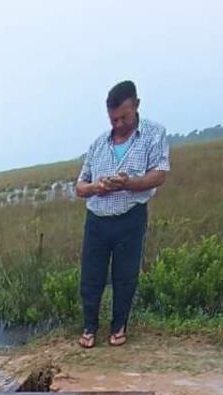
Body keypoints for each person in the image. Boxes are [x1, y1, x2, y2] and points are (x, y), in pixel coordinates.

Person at [76, 81, 170, 349]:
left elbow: (159, 174)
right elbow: (80, 186)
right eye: (114, 118)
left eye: (124, 117)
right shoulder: (98, 144)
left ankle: (118, 327)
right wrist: (96, 187)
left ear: (136, 105)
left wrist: (128, 183)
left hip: (130, 217)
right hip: (97, 219)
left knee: (125, 275)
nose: (118, 124)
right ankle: (89, 327)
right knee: (91, 276)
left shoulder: (153, 134)